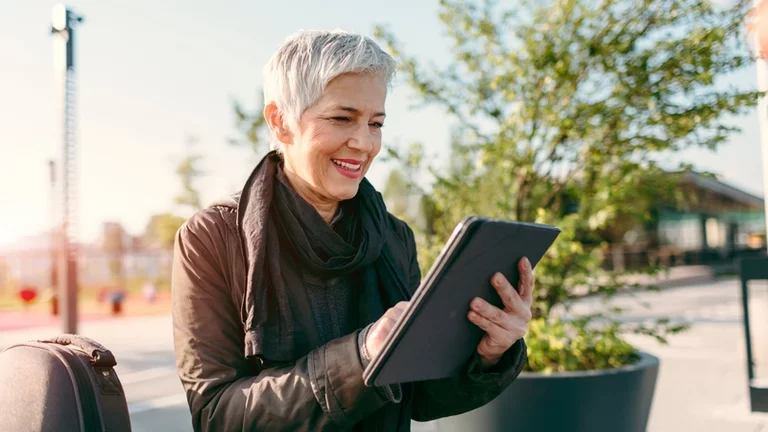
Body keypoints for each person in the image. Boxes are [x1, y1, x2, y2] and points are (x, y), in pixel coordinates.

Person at [172, 29, 535, 432]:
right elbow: (216, 415)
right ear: (280, 122)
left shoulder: (394, 238)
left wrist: (488, 354)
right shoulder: (211, 238)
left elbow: (420, 397)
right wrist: (363, 356)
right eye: (342, 118)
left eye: (376, 123)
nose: (363, 143)